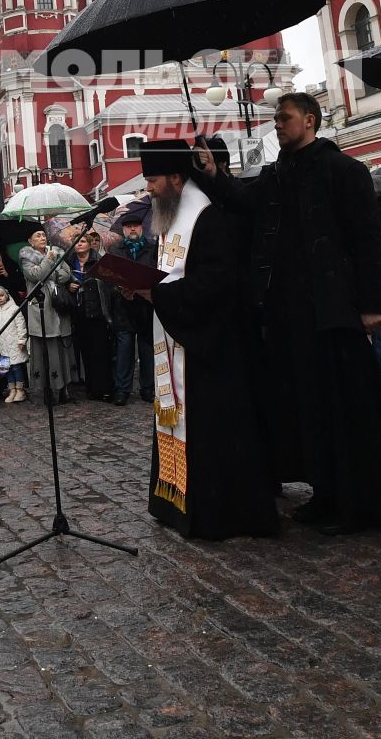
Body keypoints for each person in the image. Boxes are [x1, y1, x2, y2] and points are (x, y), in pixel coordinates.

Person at [194, 91, 381, 534]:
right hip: (289, 314)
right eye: (275, 118)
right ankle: (326, 492)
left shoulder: (344, 171)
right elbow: (243, 202)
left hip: (335, 311)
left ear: (310, 121)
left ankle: (360, 505)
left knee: (344, 408)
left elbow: (367, 243)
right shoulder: (277, 176)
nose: (277, 124)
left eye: (285, 118)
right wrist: (214, 173)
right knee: (309, 409)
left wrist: (373, 305)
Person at [132, 140, 278, 540]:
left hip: (210, 349)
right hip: (180, 337)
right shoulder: (171, 214)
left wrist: (158, 295)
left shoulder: (208, 218)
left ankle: (215, 514)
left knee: (212, 433)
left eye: (154, 180)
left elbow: (217, 283)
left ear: (177, 179)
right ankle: (176, 504)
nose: (149, 189)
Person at [19, 227, 81, 404]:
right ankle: (48, 390)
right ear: (30, 241)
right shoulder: (26, 258)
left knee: (62, 349)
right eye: (37, 235)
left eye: (43, 235)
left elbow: (66, 274)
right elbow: (37, 275)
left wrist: (49, 269)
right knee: (45, 351)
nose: (42, 237)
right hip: (41, 310)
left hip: (59, 308)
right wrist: (49, 262)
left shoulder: (56, 252)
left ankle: (64, 388)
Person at [108, 209, 155, 407]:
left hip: (145, 306)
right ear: (124, 229)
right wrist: (120, 288)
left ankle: (149, 388)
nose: (132, 229)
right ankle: (122, 390)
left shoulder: (152, 248)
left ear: (141, 227)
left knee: (147, 351)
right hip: (124, 307)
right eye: (128, 226)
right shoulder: (116, 250)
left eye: (135, 225)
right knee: (125, 350)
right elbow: (110, 276)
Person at [71, 233, 116, 402]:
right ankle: (91, 388)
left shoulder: (98, 260)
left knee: (101, 352)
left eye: (82, 241)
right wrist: (70, 285)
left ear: (90, 244)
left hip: (98, 311)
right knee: (86, 352)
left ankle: (105, 389)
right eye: (76, 242)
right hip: (79, 312)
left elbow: (108, 285)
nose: (79, 244)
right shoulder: (70, 262)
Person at [0, 286, 30, 402]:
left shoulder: (14, 309)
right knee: (7, 369)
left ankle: (20, 390)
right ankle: (12, 390)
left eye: (1, 296)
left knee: (17, 367)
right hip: (3, 345)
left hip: (15, 344)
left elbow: (21, 325)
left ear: (6, 296)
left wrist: (22, 340)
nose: (0, 298)